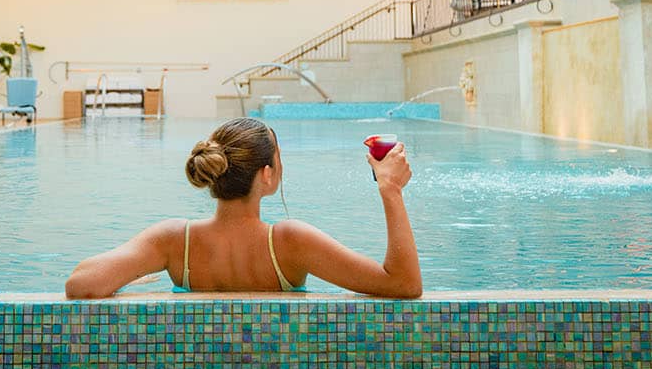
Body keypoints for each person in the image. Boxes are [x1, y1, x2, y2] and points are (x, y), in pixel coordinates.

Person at [65, 117, 421, 299]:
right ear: (266, 176)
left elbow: (81, 283)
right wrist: (390, 190)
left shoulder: (173, 241)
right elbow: (404, 284)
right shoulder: (291, 242)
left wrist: (132, 272)